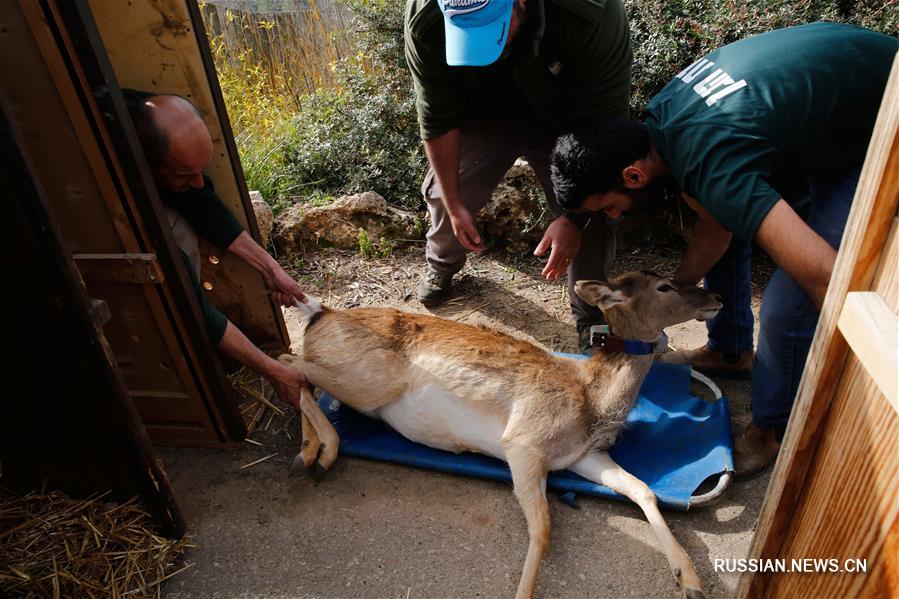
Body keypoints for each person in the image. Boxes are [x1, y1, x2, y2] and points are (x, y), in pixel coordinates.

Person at [549, 23, 898, 478]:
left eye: (610, 207)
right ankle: (731, 351)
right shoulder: (662, 119)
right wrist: (679, 290)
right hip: (844, 108)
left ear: (633, 176)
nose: (614, 219)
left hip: (881, 123)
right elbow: (717, 225)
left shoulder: (712, 163)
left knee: (788, 308)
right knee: (732, 218)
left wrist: (854, 365)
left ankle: (770, 429)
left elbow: (826, 276)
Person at [404, 0, 632, 350]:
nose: (487, 49)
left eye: (490, 28)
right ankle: (442, 263)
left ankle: (591, 313)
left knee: (597, 206)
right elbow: (437, 118)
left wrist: (573, 216)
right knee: (448, 193)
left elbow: (605, 127)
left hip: (568, 120)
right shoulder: (426, 18)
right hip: (484, 112)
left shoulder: (591, 13)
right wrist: (453, 204)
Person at [124, 90, 309, 412]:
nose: (198, 183)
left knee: (184, 223)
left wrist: (272, 270)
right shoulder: (117, 163)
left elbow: (204, 207)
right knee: (174, 254)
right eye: (184, 175)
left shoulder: (151, 116)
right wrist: (274, 371)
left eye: (201, 171)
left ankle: (206, 337)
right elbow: (183, 290)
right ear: (146, 165)